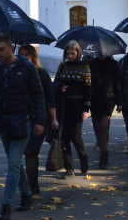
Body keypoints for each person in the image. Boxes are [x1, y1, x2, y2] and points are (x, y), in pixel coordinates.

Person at [0, 34, 45, 220]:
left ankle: (6, 205)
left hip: (22, 121)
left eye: (1, 49)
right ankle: (27, 194)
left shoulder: (26, 67)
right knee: (15, 164)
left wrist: (39, 121)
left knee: (13, 163)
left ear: (11, 47)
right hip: (3, 122)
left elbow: (38, 94)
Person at [17, 44, 57, 197]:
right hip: (22, 118)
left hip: (40, 118)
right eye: (21, 54)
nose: (24, 57)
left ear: (33, 56)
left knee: (30, 151)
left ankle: (31, 188)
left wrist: (54, 119)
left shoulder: (42, 74)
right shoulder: (17, 72)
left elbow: (49, 98)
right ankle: (33, 186)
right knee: (27, 153)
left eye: (27, 54)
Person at [54, 41, 91, 178]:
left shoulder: (84, 66)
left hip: (78, 105)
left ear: (78, 53)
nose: (70, 56)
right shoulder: (62, 65)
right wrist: (60, 87)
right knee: (64, 137)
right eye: (68, 53)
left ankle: (84, 161)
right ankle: (69, 169)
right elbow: (56, 81)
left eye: (73, 53)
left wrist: (86, 109)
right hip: (63, 105)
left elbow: (88, 88)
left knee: (76, 136)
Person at [88, 52, 121, 169]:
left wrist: (119, 102)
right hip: (94, 98)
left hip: (108, 97)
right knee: (96, 125)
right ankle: (101, 144)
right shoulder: (91, 63)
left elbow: (117, 83)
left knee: (104, 124)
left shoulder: (113, 64)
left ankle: (104, 153)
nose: (100, 55)